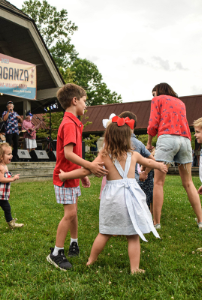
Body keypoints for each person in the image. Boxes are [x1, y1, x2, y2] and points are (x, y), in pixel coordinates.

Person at [60, 114, 166, 274]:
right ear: (128, 138)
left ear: (108, 137)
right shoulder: (134, 155)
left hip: (113, 198)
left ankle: (91, 260)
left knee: (105, 232)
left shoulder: (104, 155)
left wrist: (65, 176)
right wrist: (159, 165)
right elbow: (149, 161)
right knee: (133, 236)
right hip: (132, 197)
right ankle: (135, 268)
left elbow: (85, 170)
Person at [46, 83, 107, 271]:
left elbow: (75, 154)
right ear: (75, 100)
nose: (85, 105)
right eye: (84, 101)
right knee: (70, 213)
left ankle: (74, 242)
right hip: (64, 177)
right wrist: (89, 166)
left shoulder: (73, 122)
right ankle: (56, 253)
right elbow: (68, 154)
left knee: (73, 212)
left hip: (73, 176)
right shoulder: (69, 123)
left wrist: (81, 175)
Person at [146, 83, 202, 230]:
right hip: (185, 140)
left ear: (159, 91)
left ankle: (156, 223)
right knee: (188, 183)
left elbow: (153, 123)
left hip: (167, 138)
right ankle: (201, 221)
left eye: (154, 93)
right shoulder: (180, 102)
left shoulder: (157, 100)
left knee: (158, 182)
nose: (153, 97)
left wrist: (149, 143)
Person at [0, 143, 24, 229]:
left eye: (11, 154)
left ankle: (11, 223)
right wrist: (12, 179)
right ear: (1, 156)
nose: (11, 156)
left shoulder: (4, 166)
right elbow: (1, 179)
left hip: (1, 194)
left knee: (7, 208)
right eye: (9, 154)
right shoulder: (0, 167)